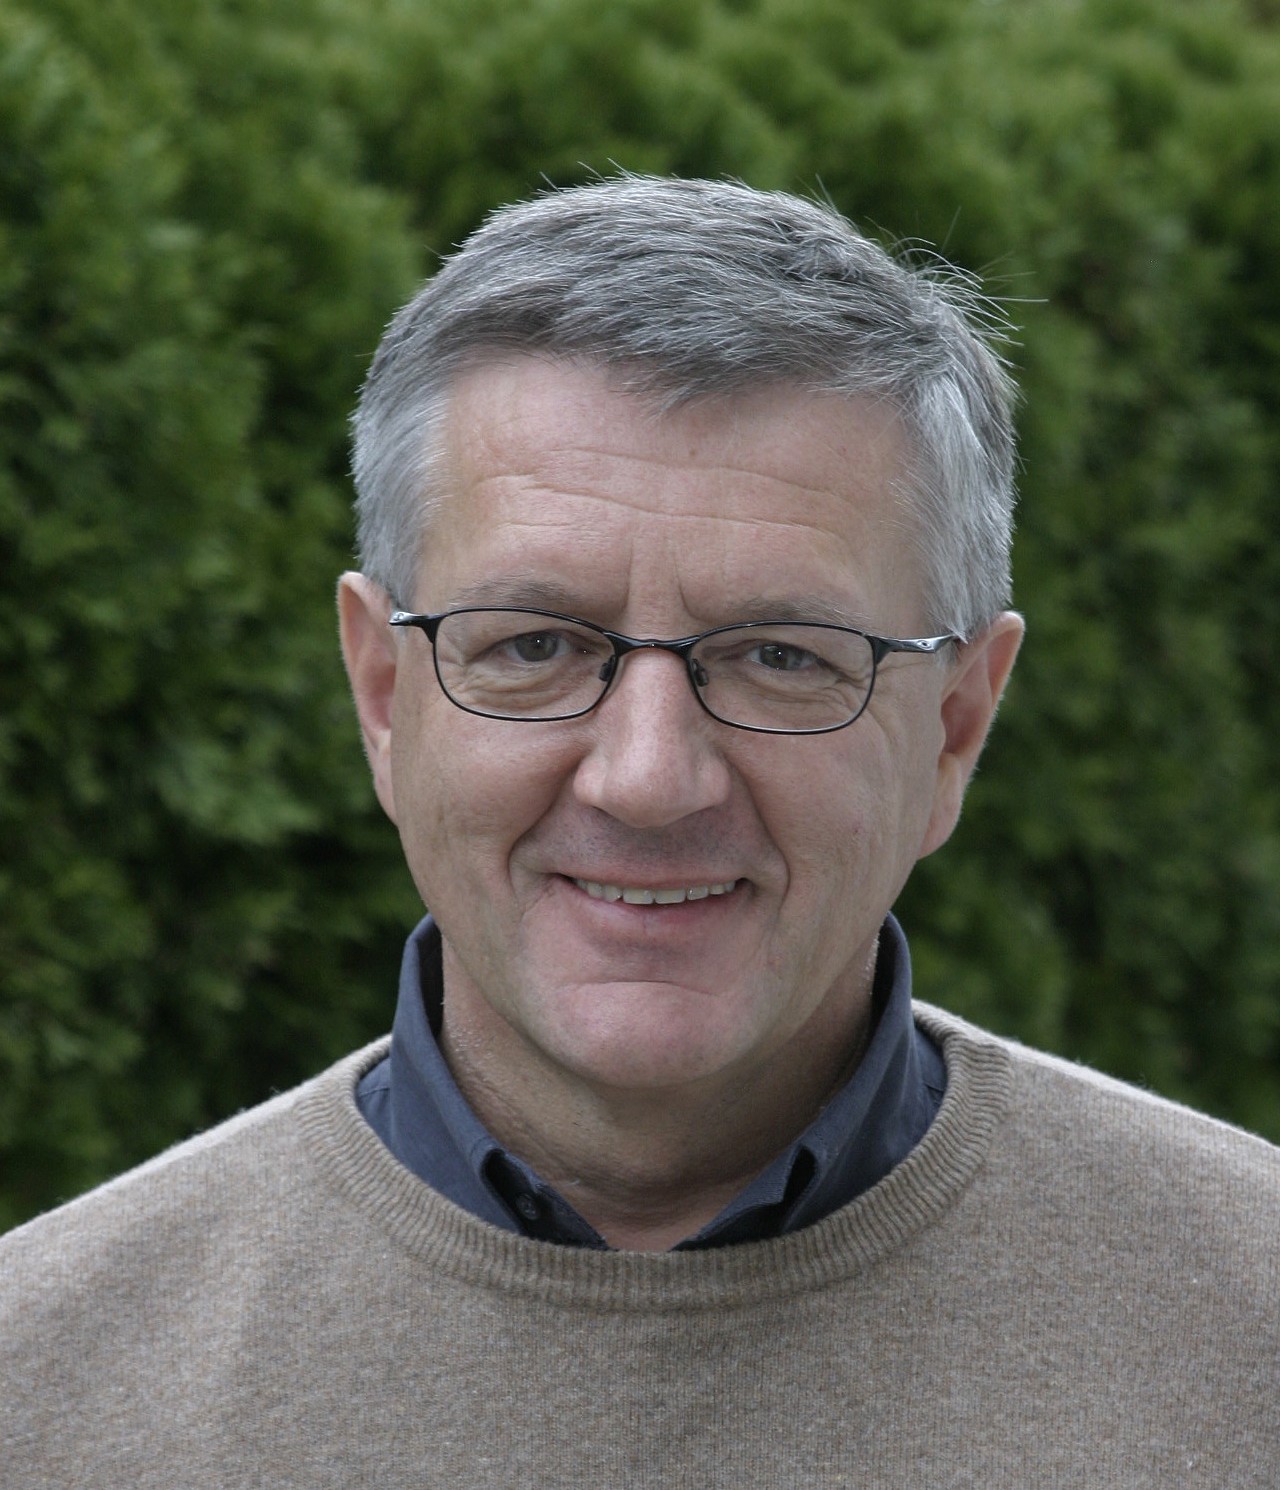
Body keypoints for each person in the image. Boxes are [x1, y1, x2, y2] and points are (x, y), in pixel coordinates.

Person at [1, 177, 1275, 1487]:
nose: (648, 778)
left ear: (956, 725)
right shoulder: (40, 1387)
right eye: (535, 645)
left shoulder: (1252, 1333)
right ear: (383, 695)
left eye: (782, 655)